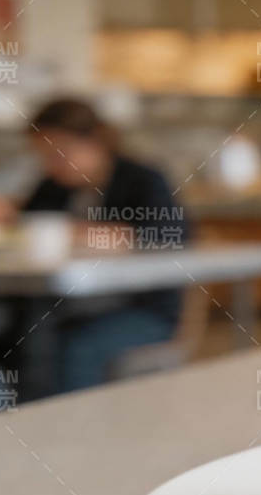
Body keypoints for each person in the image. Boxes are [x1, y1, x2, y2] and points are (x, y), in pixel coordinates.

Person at [21, 98, 193, 392]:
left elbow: (168, 235)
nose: (52, 164)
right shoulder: (51, 187)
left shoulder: (143, 179)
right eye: (44, 155)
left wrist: (82, 234)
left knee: (76, 346)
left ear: (95, 141)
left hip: (142, 310)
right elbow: (27, 229)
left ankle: (76, 431)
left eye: (60, 153)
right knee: (24, 334)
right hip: (67, 303)